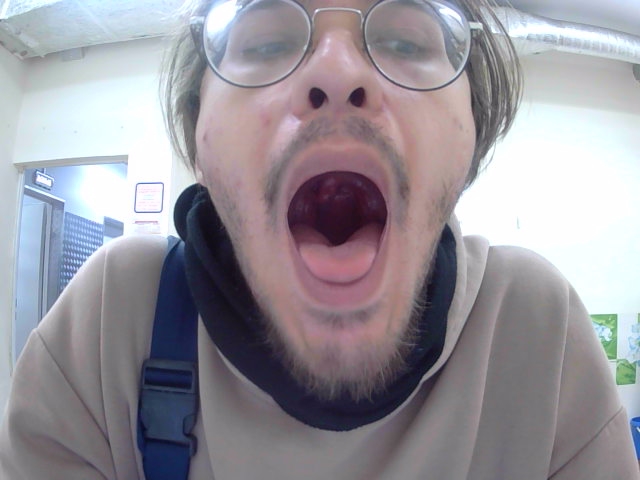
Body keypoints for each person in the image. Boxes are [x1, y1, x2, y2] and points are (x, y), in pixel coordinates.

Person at [1, 0, 638, 478]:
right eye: (268, 41)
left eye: (404, 40)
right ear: (199, 143)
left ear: (469, 137)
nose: (336, 71)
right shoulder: (111, 324)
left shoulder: (536, 331)